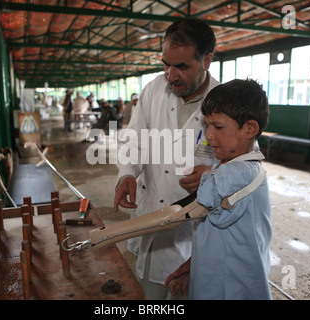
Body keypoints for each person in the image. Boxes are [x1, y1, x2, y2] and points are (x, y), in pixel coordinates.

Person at [113, 18, 220, 299]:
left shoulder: (225, 102)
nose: (171, 75)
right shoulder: (153, 90)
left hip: (193, 234)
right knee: (150, 294)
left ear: (206, 60)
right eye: (165, 64)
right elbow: (133, 139)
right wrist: (126, 173)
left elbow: (244, 166)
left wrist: (213, 175)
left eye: (182, 66)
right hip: (150, 218)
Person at [164, 79, 272, 300]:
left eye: (218, 127)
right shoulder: (229, 166)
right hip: (218, 275)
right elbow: (218, 235)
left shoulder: (237, 174)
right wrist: (195, 263)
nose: (209, 136)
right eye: (207, 126)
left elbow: (187, 209)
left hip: (231, 287)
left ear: (250, 129)